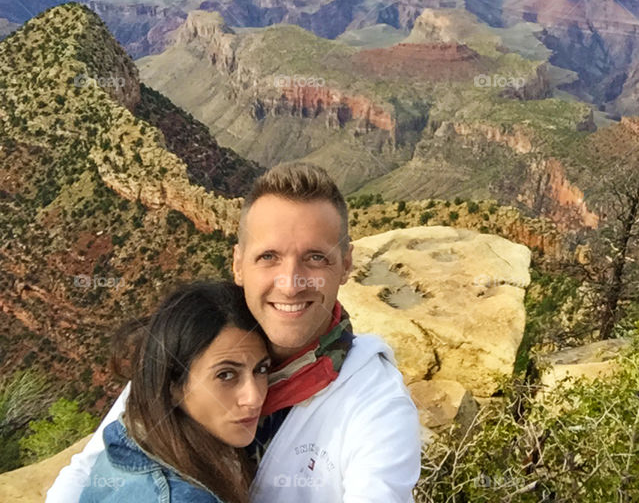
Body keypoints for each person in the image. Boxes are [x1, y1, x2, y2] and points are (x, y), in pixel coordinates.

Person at [47, 163, 421, 503]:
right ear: (238, 265)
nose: (291, 284)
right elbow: (86, 469)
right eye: (269, 257)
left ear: (347, 265)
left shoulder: (376, 406)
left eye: (315, 257)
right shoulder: (199, 340)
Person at [79, 281, 270, 503]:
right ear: (172, 385)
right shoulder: (181, 497)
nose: (254, 397)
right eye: (225, 375)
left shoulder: (138, 438)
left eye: (261, 369)